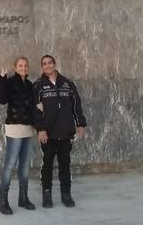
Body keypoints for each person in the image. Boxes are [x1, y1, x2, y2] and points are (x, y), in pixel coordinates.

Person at [33, 54, 86, 209]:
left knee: (65, 164)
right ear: (42, 67)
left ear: (54, 64)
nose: (47, 65)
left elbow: (76, 105)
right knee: (47, 165)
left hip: (65, 132)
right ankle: (47, 194)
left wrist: (80, 124)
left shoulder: (68, 84)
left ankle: (66, 194)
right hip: (47, 133)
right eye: (44, 64)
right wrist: (40, 130)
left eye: (50, 63)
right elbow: (35, 111)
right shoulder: (38, 86)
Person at [0, 56, 36, 215]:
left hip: (28, 128)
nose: (23, 67)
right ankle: (2, 201)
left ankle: (23, 198)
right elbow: (2, 100)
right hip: (14, 128)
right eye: (20, 65)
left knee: (25, 165)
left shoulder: (30, 84)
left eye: (26, 65)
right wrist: (2, 80)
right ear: (15, 67)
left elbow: (33, 107)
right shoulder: (10, 82)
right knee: (10, 164)